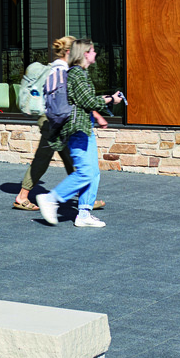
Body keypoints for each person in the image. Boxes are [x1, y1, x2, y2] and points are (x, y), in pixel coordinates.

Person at [36, 39, 124, 229]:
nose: (95, 54)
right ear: (85, 53)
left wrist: (105, 100)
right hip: (77, 130)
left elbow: (84, 99)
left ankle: (84, 213)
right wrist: (111, 99)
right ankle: (51, 198)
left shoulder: (80, 73)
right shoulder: (76, 73)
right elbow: (88, 101)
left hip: (84, 128)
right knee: (85, 172)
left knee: (93, 173)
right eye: (92, 50)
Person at [13, 35, 75, 211]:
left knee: (69, 156)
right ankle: (22, 196)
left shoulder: (58, 68)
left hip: (52, 118)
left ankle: (86, 197)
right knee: (45, 156)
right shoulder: (60, 70)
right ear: (68, 52)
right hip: (51, 119)